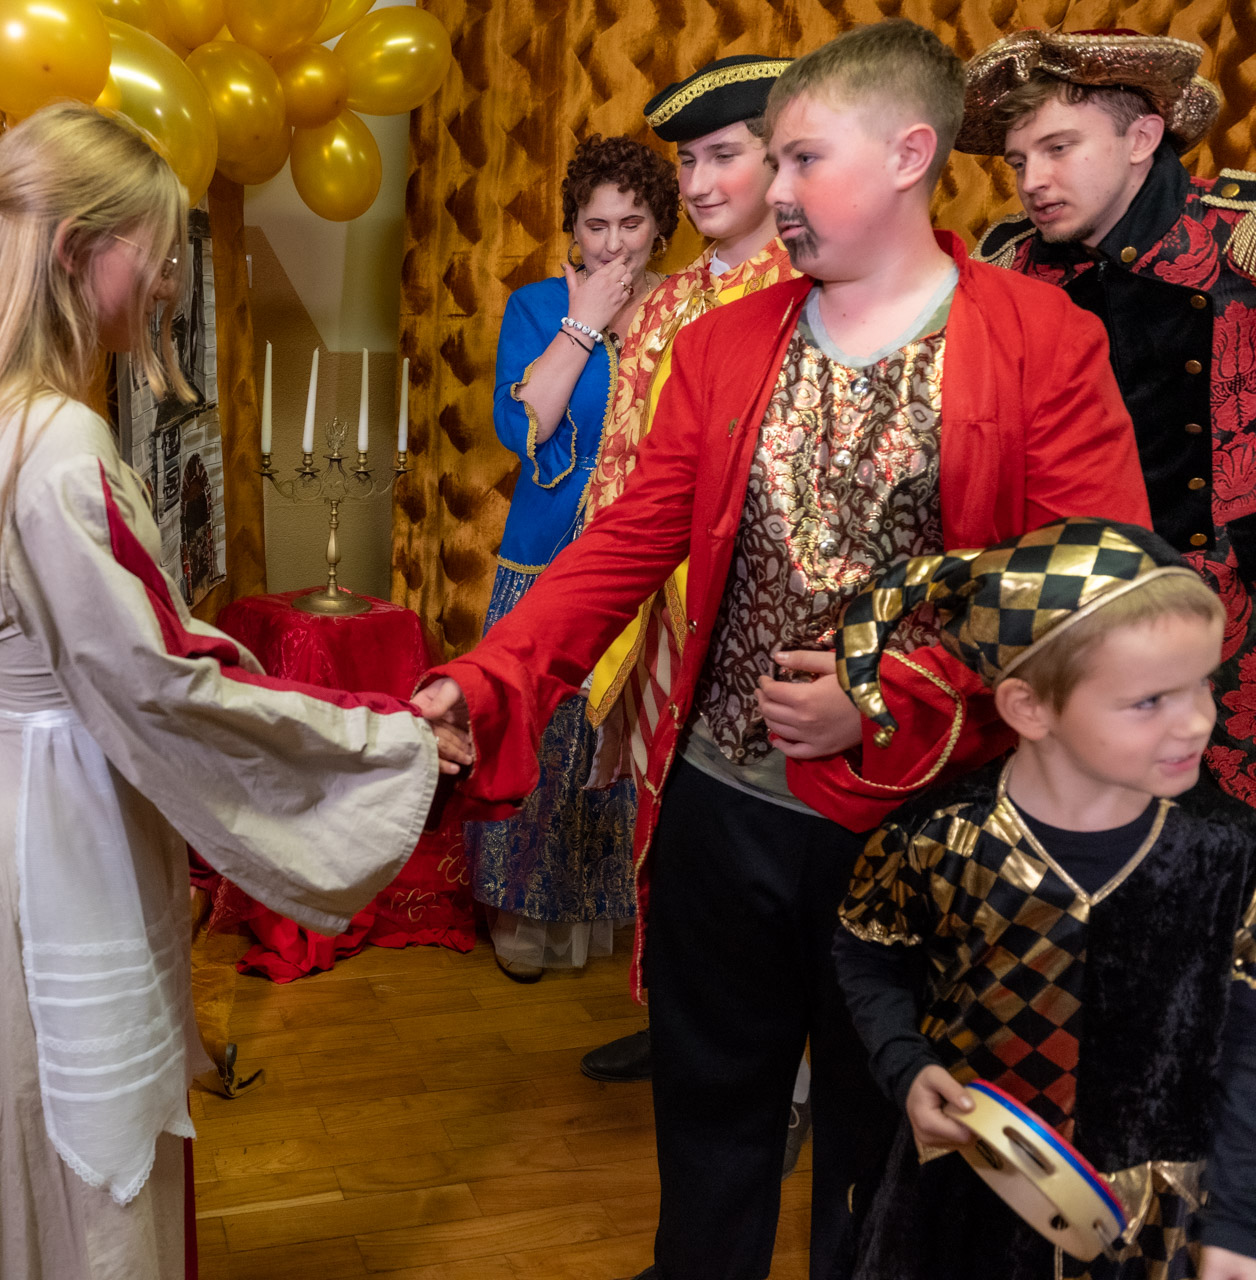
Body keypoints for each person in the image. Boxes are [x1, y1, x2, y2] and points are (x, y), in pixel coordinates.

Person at [411, 20, 1153, 1280]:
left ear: (909, 154)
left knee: (882, 1151)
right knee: (710, 1123)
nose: (777, 190)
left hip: (921, 830)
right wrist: (494, 674)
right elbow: (628, 539)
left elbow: (1094, 597)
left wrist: (893, 694)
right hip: (722, 808)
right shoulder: (722, 343)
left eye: (804, 159)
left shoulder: (1041, 339)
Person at [0, 104, 442, 1280]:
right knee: (86, 1125)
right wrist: (380, 740)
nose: (167, 283)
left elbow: (107, 635)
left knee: (7, 1109)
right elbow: (154, 679)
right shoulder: (59, 440)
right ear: (76, 250)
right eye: (155, 255)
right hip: (64, 825)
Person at [828, 517, 1256, 1279]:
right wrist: (905, 1063)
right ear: (1029, 707)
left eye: (1204, 684)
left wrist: (1237, 1223)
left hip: (1159, 1224)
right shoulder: (937, 840)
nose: (1200, 720)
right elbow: (869, 954)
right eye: (1150, 701)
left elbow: (1250, 1044)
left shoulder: (1230, 854)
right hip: (967, 1202)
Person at [571, 53, 801, 1090]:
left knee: (754, 839)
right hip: (657, 611)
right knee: (663, 824)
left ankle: (778, 1075)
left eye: (723, 156)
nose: (701, 184)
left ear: (779, 158)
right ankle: (677, 1022)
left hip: (754, 614)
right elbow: (621, 463)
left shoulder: (805, 290)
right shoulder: (666, 303)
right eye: (688, 163)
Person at [964, 29, 1256, 809]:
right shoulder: (1011, 270)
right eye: (1018, 161)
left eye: (1059, 148)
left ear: (1142, 139)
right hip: (1076, 630)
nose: (1034, 181)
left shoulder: (1240, 242)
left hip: (1237, 638)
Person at [466, 134, 677, 982]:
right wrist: (583, 320)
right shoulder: (537, 306)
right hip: (546, 550)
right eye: (596, 224)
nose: (614, 243)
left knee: (619, 734)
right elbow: (525, 425)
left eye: (632, 222)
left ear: (661, 227)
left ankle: (602, 904)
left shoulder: (688, 308)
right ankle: (520, 906)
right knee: (541, 727)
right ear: (573, 228)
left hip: (650, 557)